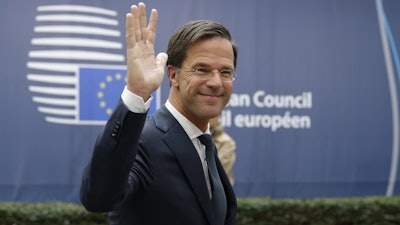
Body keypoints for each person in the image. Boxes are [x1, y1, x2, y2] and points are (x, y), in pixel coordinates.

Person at [80, 2, 238, 225]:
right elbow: (98, 198)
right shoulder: (145, 140)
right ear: (173, 75)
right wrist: (137, 93)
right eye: (201, 69)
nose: (215, 82)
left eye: (225, 72)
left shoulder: (207, 144)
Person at [210, 115, 236, 185]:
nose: (209, 117)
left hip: (219, 190)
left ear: (219, 115)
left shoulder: (227, 142)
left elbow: (217, 171)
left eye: (212, 115)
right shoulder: (192, 136)